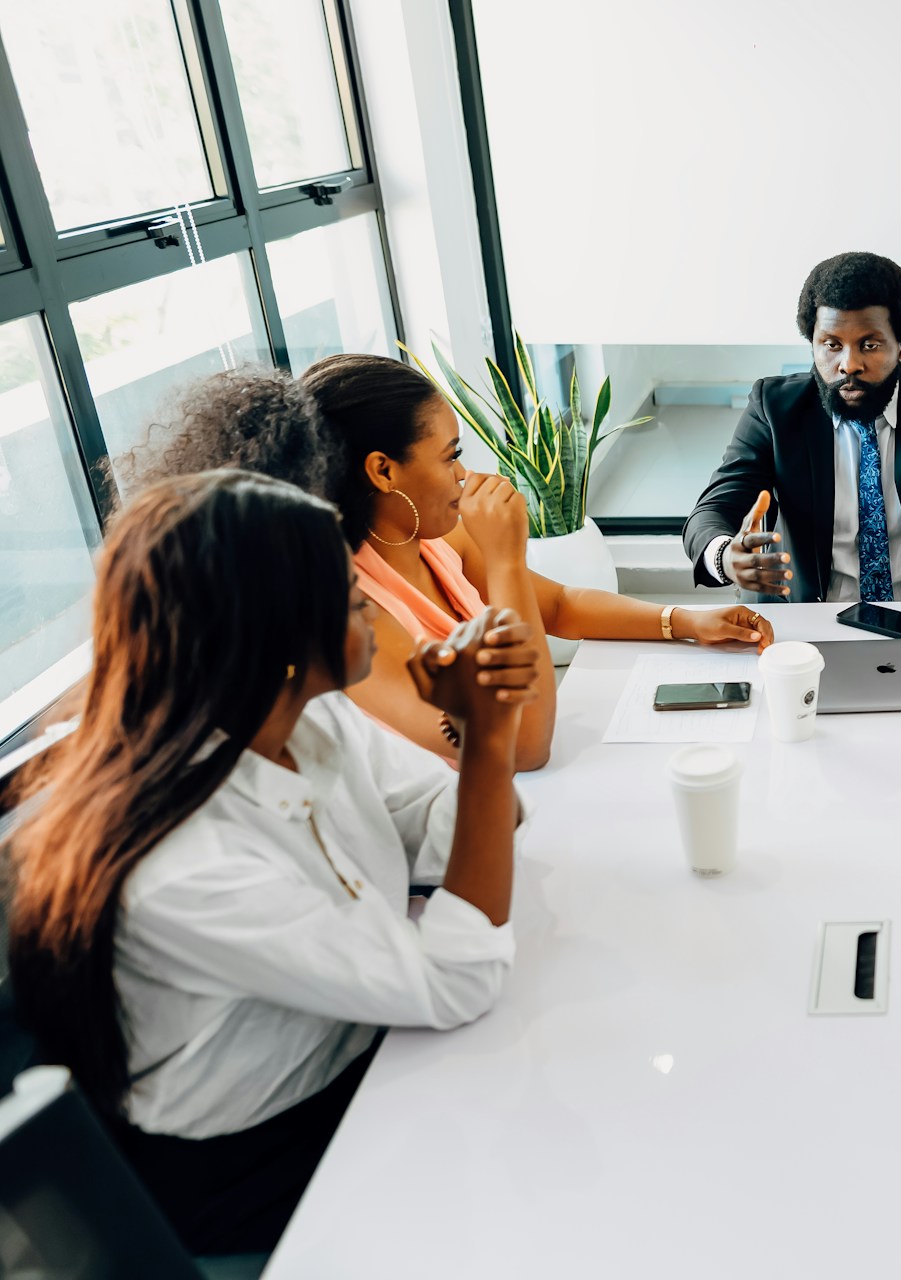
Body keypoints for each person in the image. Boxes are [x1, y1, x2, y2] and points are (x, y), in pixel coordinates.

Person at [5, 470, 540, 1255]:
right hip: (258, 1158)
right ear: (274, 633)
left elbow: (471, 824)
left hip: (367, 1055)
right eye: (347, 592)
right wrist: (488, 738)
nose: (369, 601)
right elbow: (457, 979)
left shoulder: (312, 720)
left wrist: (476, 728)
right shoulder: (183, 866)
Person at [297, 355, 773, 769]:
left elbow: (561, 605)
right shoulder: (348, 614)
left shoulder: (435, 541)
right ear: (383, 471)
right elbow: (524, 747)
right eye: (450, 456)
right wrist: (504, 559)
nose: (462, 473)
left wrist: (688, 621)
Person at [682, 251, 901, 603]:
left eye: (869, 345)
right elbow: (713, 509)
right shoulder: (774, 407)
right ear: (813, 344)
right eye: (831, 345)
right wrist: (724, 556)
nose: (848, 364)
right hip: (811, 611)